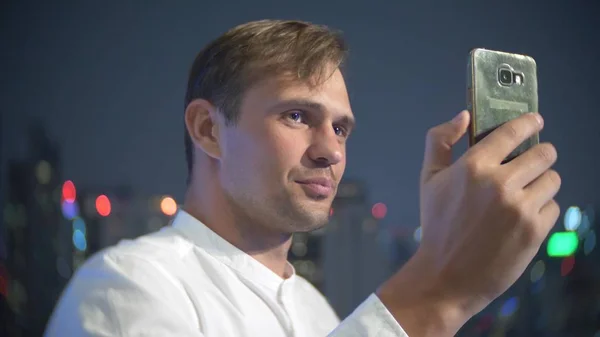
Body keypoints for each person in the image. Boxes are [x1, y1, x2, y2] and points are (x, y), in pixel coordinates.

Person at [44, 19, 561, 337]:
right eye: (297, 116)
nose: (331, 150)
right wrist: (438, 290)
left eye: (341, 127)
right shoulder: (125, 289)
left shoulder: (317, 312)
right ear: (208, 129)